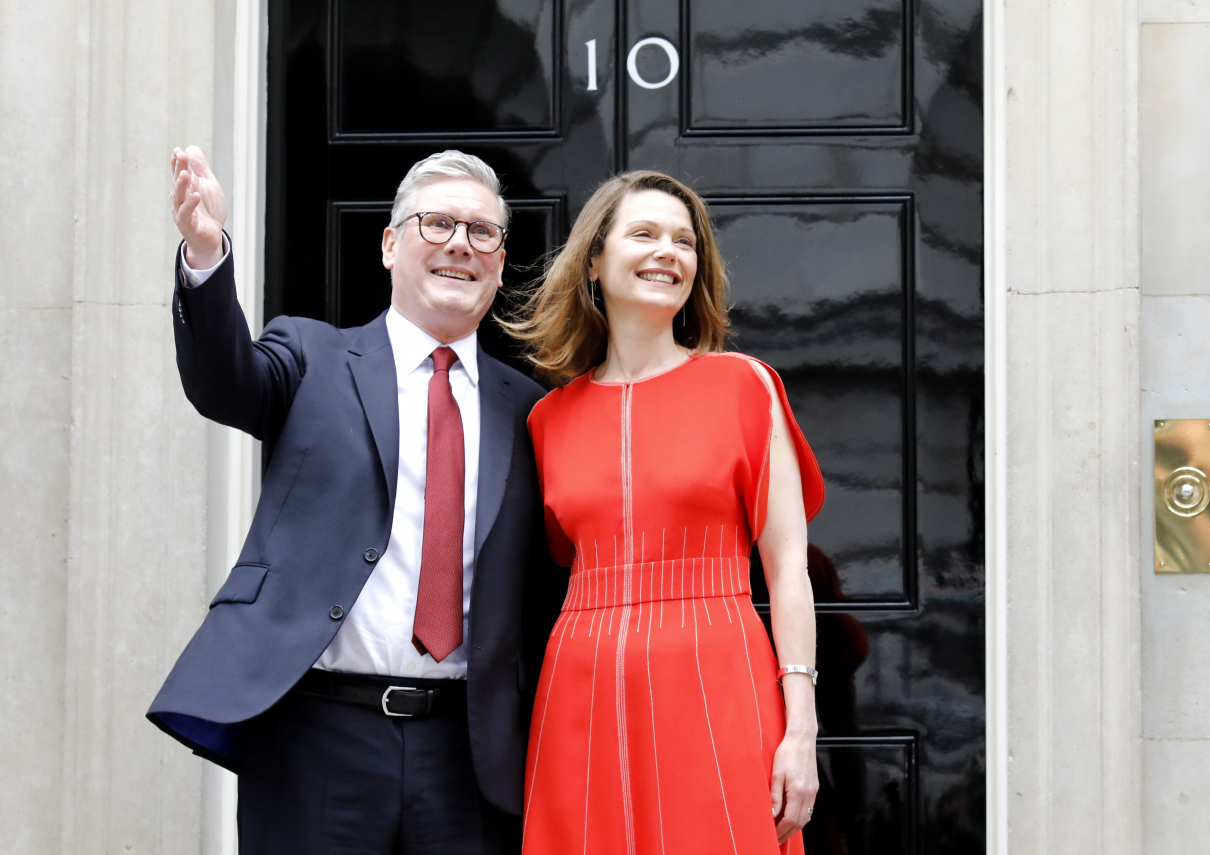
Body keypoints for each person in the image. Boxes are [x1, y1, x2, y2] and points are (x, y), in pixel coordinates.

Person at [148, 146, 550, 854]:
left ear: (499, 259)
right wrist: (205, 252)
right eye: (438, 223)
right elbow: (225, 381)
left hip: (469, 755)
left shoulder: (532, 413)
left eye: (482, 231)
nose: (461, 243)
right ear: (391, 244)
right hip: (318, 740)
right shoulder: (311, 355)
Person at [506, 171, 825, 854]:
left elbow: (788, 568)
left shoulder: (745, 385)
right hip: (581, 690)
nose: (669, 252)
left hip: (718, 672)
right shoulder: (545, 420)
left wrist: (801, 729)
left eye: (685, 242)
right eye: (645, 233)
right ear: (594, 260)